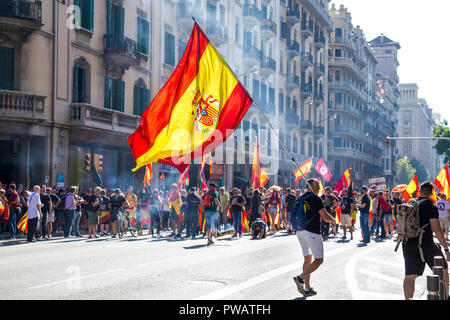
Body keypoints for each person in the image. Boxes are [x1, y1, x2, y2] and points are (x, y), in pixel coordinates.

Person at [402, 181, 449, 300]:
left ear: (419, 191)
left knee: (410, 276)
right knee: (442, 268)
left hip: (408, 242)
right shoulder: (430, 206)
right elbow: (437, 229)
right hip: (425, 243)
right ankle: (447, 296)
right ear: (432, 193)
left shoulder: (410, 204)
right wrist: (446, 248)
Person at [292, 179, 336, 297]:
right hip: (312, 232)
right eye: (316, 185)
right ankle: (300, 278)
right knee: (318, 260)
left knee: (307, 259)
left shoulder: (300, 198)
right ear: (309, 186)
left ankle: (307, 287)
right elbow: (325, 216)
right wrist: (333, 220)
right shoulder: (316, 199)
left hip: (300, 231)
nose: (318, 187)